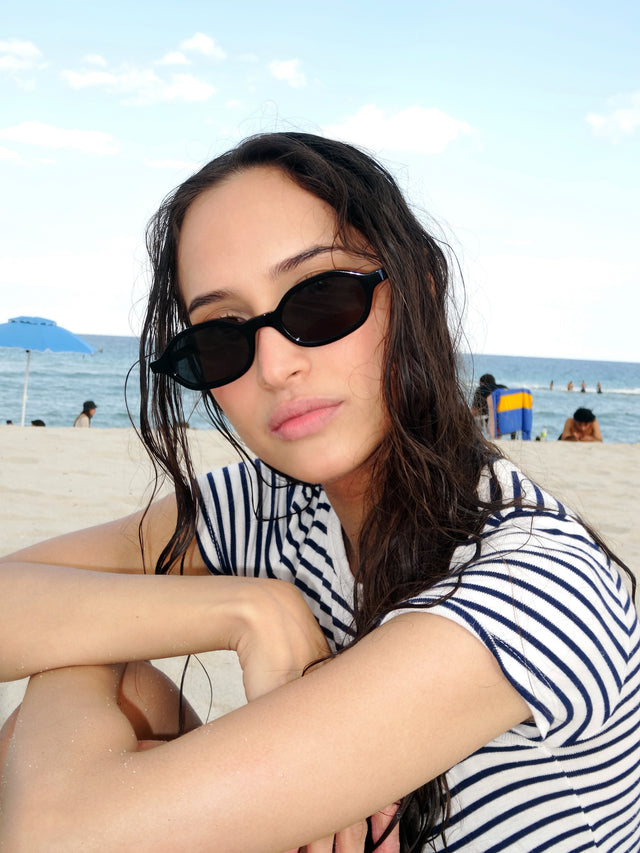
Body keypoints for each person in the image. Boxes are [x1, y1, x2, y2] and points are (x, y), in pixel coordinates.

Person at [0, 133, 638, 852]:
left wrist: (92, 635)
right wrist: (246, 607)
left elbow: (52, 835)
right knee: (94, 680)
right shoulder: (280, 509)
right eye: (220, 336)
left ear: (420, 286)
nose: (274, 365)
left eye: (320, 298)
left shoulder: (538, 583)